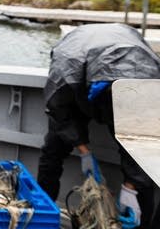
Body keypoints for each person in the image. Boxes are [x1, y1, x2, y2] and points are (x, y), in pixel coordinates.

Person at [37, 23, 160, 229]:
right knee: (52, 152)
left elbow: (147, 139)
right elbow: (60, 112)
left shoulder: (151, 78)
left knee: (143, 166)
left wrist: (131, 188)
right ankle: (42, 215)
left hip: (131, 65)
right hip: (78, 68)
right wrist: (84, 152)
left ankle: (141, 224)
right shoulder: (65, 75)